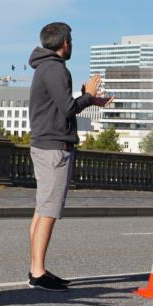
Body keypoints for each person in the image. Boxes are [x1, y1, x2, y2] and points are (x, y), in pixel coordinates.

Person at [27, 21, 112, 291]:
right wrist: (87, 95)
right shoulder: (56, 69)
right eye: (71, 41)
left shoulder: (46, 67)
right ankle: (38, 273)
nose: (71, 45)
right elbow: (67, 108)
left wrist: (89, 100)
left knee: (42, 210)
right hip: (54, 148)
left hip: (45, 145)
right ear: (64, 43)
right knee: (49, 211)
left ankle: (35, 269)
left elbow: (60, 104)